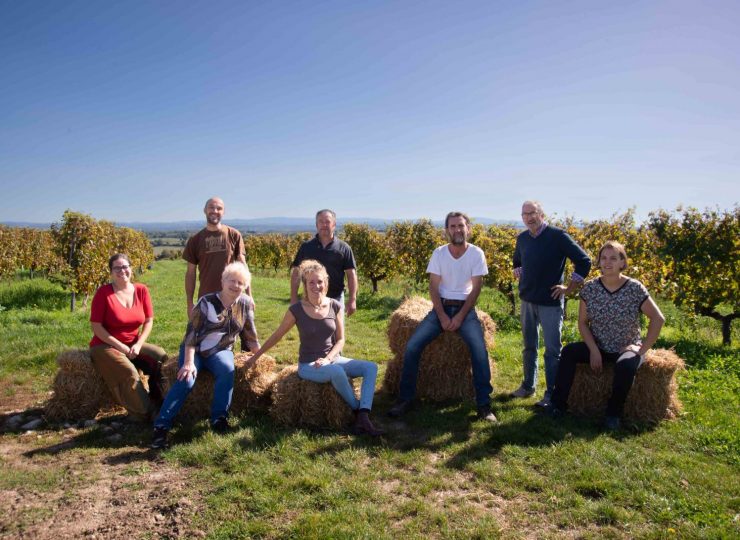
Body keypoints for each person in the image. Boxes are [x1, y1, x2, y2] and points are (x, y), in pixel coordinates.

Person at [251, 260, 383, 436]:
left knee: (370, 367)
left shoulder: (335, 306)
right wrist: (255, 357)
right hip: (308, 366)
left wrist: (328, 358)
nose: (316, 286)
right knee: (336, 372)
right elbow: (277, 335)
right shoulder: (296, 310)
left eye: (320, 281)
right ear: (305, 285)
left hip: (331, 360)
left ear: (326, 283)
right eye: (311, 282)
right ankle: (358, 411)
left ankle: (364, 414)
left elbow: (341, 340)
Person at [388, 212, 496, 422]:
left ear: (468, 229)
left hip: (465, 310)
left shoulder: (476, 254)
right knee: (411, 347)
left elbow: (475, 290)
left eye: (461, 226)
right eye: (453, 226)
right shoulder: (439, 253)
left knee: (479, 352)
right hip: (441, 308)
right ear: (447, 230)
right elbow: (433, 287)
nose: (457, 230)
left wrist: (460, 316)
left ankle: (484, 405)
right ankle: (405, 399)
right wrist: (443, 316)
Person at [545, 241, 665, 430]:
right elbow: (583, 323)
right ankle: (558, 405)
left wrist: (641, 350)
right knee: (568, 352)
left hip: (626, 348)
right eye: (604, 258)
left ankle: (613, 414)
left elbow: (658, 319)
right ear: (599, 262)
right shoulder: (590, 289)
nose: (607, 262)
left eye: (613, 258)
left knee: (626, 365)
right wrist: (593, 350)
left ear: (622, 263)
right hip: (599, 345)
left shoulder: (634, 288)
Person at [151, 262, 259, 449]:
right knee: (187, 379)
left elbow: (250, 334)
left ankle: (219, 420)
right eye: (232, 281)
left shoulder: (245, 303)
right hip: (196, 348)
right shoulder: (206, 302)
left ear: (245, 285)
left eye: (241, 283)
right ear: (223, 281)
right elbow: (191, 334)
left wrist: (260, 356)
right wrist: (188, 363)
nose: (235, 286)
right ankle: (161, 426)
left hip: (221, 350)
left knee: (227, 369)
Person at [510, 200, 591, 407]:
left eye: (532, 213)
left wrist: (569, 288)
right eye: (524, 214)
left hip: (551, 302)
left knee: (552, 351)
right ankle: (528, 386)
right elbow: (517, 260)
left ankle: (552, 394)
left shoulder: (558, 236)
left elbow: (584, 260)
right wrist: (517, 270)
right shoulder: (522, 239)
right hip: (527, 300)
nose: (528, 217)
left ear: (541, 214)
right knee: (529, 347)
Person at [90, 253, 167, 422]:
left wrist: (139, 344)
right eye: (117, 268)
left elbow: (148, 320)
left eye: (125, 266)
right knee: (130, 373)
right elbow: (96, 327)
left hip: (133, 343)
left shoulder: (141, 290)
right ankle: (147, 412)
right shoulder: (103, 293)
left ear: (131, 269)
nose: (122, 271)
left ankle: (160, 399)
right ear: (111, 272)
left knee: (161, 357)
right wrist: (121, 347)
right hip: (105, 345)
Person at [184, 197, 251, 319]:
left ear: (223, 212)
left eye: (219, 208)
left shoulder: (234, 235)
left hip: (232, 297)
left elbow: (243, 267)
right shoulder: (195, 240)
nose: (215, 211)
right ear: (205, 210)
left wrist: (249, 296)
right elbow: (190, 273)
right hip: (206, 300)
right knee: (206, 336)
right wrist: (189, 304)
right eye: (211, 207)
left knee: (231, 336)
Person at [290, 209, 358, 316]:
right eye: (321, 221)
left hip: (335, 299)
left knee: (337, 332)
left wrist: (352, 300)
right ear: (316, 225)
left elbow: (351, 275)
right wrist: (293, 298)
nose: (324, 224)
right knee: (311, 332)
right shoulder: (306, 247)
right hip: (310, 300)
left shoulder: (344, 248)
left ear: (334, 224)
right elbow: (296, 273)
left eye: (327, 221)